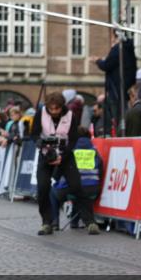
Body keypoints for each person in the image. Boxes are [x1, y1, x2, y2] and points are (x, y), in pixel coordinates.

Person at [31, 92, 84, 236]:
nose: (53, 112)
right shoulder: (40, 113)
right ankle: (46, 222)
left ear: (62, 107)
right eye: (51, 109)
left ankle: (87, 218)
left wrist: (63, 155)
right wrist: (39, 142)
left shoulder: (71, 115)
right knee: (42, 188)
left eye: (57, 109)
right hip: (46, 154)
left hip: (65, 154)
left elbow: (73, 139)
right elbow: (34, 134)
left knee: (76, 185)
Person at [50, 127, 104, 234]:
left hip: (74, 188)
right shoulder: (94, 151)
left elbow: (58, 171)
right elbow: (100, 171)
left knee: (52, 192)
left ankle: (54, 223)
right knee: (80, 192)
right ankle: (76, 222)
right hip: (93, 190)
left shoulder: (69, 151)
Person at [94, 30, 137, 136]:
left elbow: (107, 65)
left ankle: (119, 136)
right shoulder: (129, 50)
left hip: (116, 90)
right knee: (121, 115)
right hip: (123, 88)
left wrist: (98, 61)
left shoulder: (118, 49)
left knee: (117, 117)